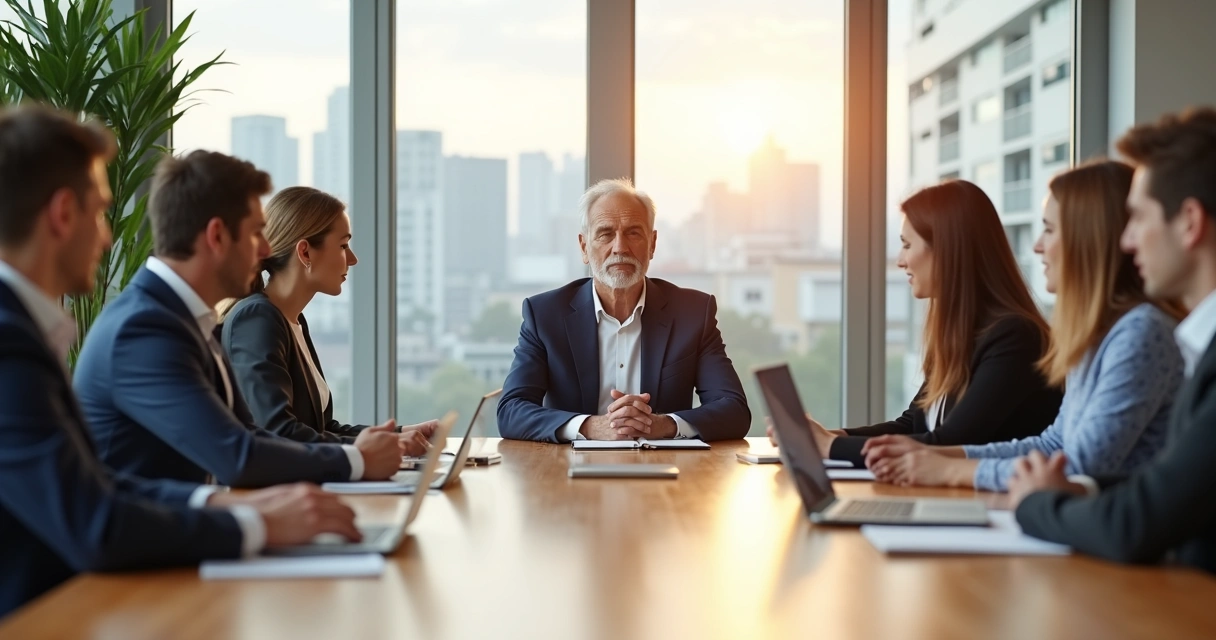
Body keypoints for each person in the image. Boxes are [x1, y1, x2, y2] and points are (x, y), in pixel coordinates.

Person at [0, 105, 361, 618]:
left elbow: (99, 483)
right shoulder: (25, 340)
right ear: (62, 214)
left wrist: (227, 506)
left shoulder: (31, 330)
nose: (106, 238)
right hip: (61, 612)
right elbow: (95, 520)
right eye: (100, 211)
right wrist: (255, 523)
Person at [74, 151, 404, 488]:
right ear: (217, 236)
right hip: (155, 536)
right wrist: (356, 459)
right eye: (255, 233)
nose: (265, 250)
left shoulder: (186, 319)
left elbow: (248, 433)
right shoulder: (144, 329)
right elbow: (237, 456)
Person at [863, 161, 1183, 490]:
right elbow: (1051, 445)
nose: (1037, 246)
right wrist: (941, 458)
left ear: (1088, 238)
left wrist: (950, 469)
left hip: (1110, 536)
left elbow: (1081, 464)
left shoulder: (1141, 333)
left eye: (1049, 229)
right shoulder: (1096, 338)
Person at [1011, 107, 1216, 573]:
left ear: (1188, 222)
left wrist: (1036, 504)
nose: (1125, 241)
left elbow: (1136, 524)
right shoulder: (1200, 348)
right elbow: (1166, 486)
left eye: (1138, 218)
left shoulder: (1160, 338)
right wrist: (1080, 491)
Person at [770, 180, 1061, 467]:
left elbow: (950, 444)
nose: (901, 261)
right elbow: (912, 426)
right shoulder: (956, 334)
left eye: (907, 245)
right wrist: (832, 437)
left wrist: (831, 447)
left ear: (947, 249)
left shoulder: (1015, 337)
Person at [498, 178, 750, 442]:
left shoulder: (693, 313)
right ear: (584, 247)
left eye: (633, 233)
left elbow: (734, 411)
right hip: (569, 472)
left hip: (667, 474)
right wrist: (590, 427)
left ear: (652, 244)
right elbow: (511, 411)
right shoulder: (545, 315)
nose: (620, 247)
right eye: (606, 234)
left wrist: (663, 425)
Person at [218, 186, 436, 453]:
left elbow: (320, 430)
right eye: (344, 245)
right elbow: (277, 432)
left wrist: (400, 434)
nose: (353, 259)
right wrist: (383, 447)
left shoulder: (293, 321)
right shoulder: (257, 319)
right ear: (305, 252)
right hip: (276, 492)